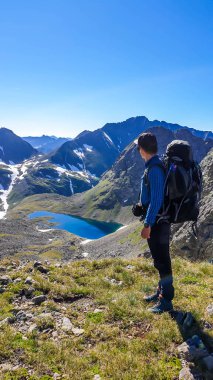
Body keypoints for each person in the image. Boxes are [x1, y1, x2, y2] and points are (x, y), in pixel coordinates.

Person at [137, 132, 174, 313]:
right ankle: (161, 292)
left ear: (141, 149)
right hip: (158, 221)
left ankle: (166, 300)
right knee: (159, 260)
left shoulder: (155, 169)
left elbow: (157, 198)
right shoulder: (153, 166)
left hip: (158, 223)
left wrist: (147, 224)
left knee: (162, 261)